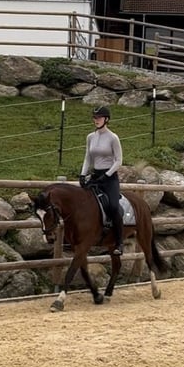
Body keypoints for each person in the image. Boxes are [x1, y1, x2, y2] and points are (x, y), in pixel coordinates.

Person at [79, 105, 124, 255]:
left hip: (110, 177)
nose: (96, 120)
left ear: (106, 119)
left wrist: (107, 175)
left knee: (112, 206)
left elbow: (119, 161)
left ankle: (119, 243)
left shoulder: (113, 138)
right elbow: (88, 157)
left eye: (99, 117)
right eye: (94, 117)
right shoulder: (90, 137)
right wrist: (82, 174)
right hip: (95, 175)